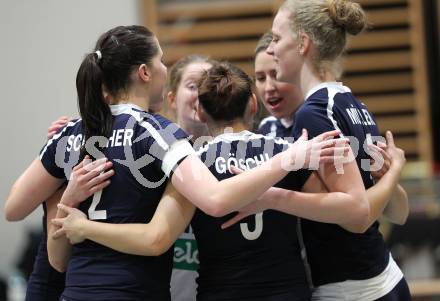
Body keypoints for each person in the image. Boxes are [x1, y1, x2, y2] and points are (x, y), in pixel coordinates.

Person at [5, 24, 341, 301]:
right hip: (133, 292)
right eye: (163, 61)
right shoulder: (159, 134)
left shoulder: (70, 132)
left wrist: (67, 204)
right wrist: (290, 159)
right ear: (145, 73)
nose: (166, 67)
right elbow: (215, 200)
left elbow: (14, 208)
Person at [51, 61, 372, 301]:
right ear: (253, 104)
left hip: (219, 292)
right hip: (287, 291)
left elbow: (157, 233)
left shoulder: (192, 165)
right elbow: (346, 211)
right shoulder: (286, 153)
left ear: (201, 113)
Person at [266, 0, 411, 299]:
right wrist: (392, 176)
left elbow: (357, 216)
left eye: (277, 39)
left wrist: (272, 198)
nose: (271, 49)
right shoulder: (354, 104)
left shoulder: (316, 113)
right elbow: (399, 211)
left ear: (303, 43)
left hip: (354, 288)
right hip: (383, 276)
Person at [165, 55, 214, 301]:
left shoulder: (237, 155)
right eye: (193, 86)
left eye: (210, 86)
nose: (201, 94)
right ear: (172, 98)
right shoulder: (150, 154)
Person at [255, 32, 303, 138]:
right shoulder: (266, 128)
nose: (269, 88)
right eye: (260, 78)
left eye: (276, 74)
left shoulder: (320, 118)